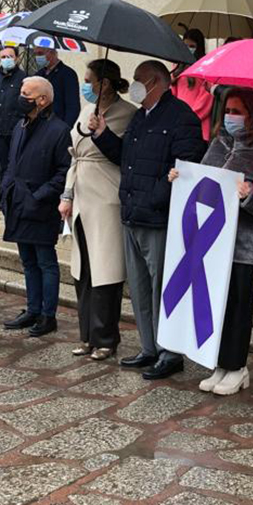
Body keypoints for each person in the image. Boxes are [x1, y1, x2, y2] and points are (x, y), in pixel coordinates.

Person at [89, 60, 206, 380]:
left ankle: (170, 352)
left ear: (156, 82)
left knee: (161, 287)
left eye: (139, 80)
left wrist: (155, 198)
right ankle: (149, 346)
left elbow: (185, 168)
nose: (134, 84)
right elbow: (127, 157)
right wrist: (102, 135)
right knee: (139, 287)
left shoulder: (182, 118)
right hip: (131, 212)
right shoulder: (141, 117)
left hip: (157, 217)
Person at [173, 88, 253, 395]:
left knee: (238, 305)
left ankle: (237, 366)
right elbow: (201, 182)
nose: (232, 116)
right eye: (228, 110)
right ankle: (219, 363)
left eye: (239, 110)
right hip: (212, 242)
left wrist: (249, 196)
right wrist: (180, 179)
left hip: (244, 245)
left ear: (252, 114)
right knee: (217, 304)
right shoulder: (218, 144)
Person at [59, 59, 137, 360]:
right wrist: (66, 195)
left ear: (104, 83)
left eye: (89, 80)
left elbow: (122, 155)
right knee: (83, 271)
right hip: (80, 198)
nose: (86, 85)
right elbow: (75, 157)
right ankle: (87, 336)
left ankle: (106, 338)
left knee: (106, 270)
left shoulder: (128, 113)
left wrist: (102, 133)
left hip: (106, 197)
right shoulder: (84, 110)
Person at [0, 77, 72, 337]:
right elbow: (11, 163)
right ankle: (32, 308)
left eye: (25, 93)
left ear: (42, 100)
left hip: (40, 206)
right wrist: (6, 188)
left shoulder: (59, 130)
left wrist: (39, 195)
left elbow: (64, 171)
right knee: (28, 261)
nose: (20, 97)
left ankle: (47, 314)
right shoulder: (20, 125)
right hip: (17, 203)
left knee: (45, 262)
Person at [0, 45, 27, 181]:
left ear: (16, 58)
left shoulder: (24, 79)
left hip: (18, 131)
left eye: (10, 57)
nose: (6, 59)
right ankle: (3, 198)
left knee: (18, 168)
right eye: (3, 57)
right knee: (2, 169)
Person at [172, 28, 213, 141]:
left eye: (192, 46)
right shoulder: (177, 66)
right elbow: (172, 93)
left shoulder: (205, 66)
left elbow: (206, 96)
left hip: (198, 124)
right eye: (185, 45)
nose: (188, 49)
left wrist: (190, 117)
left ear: (199, 47)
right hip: (178, 121)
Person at [33, 46, 81, 125]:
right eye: (35, 54)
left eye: (40, 53)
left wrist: (65, 129)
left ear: (52, 52)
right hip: (39, 125)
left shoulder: (68, 74)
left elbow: (73, 107)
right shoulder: (39, 74)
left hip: (57, 124)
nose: (37, 57)